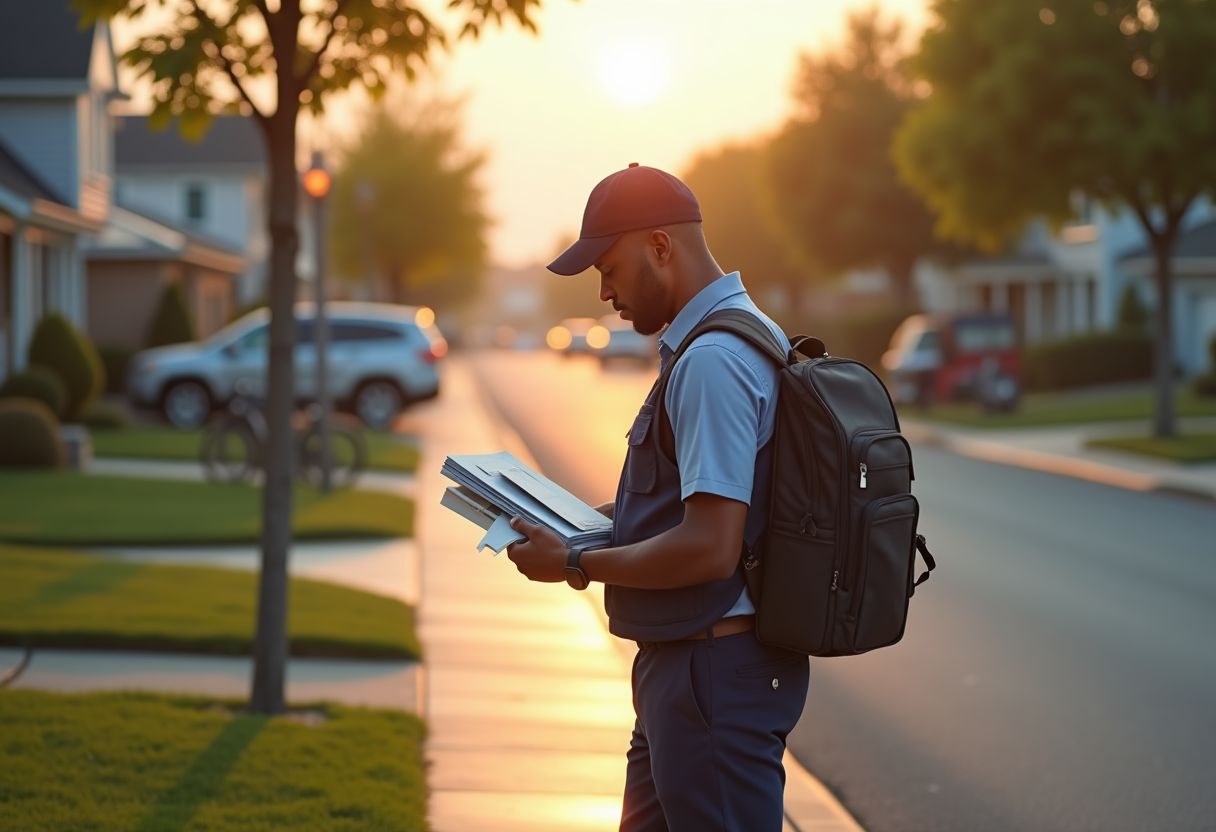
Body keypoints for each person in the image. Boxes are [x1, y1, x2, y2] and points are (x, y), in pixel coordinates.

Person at [505, 163, 809, 831]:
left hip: (712, 678)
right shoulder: (728, 338)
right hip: (691, 675)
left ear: (661, 247)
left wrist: (577, 564)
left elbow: (709, 546)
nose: (605, 290)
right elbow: (681, 508)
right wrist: (574, 527)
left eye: (608, 268)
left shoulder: (713, 362)